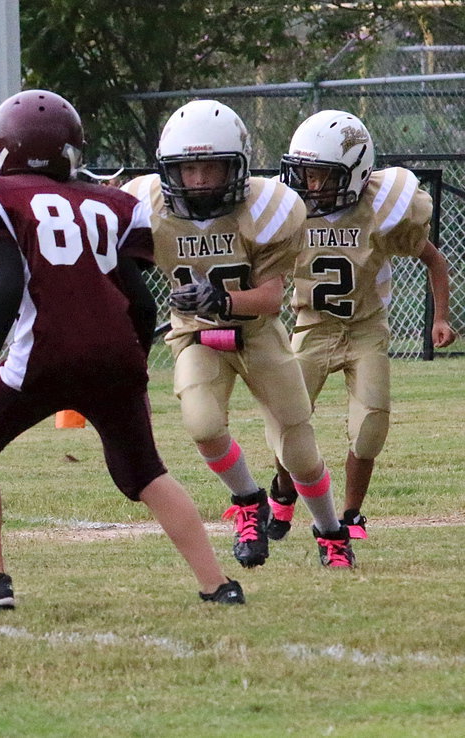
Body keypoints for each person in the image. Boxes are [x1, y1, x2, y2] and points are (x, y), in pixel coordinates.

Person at [0, 90, 243, 612]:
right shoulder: (112, 203)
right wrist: (134, 367)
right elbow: (141, 302)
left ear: (2, 148)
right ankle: (217, 585)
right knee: (144, 472)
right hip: (117, 354)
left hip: (45, 351)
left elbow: (7, 286)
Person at [122, 99, 355, 568]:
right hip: (194, 334)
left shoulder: (267, 207)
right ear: (171, 170)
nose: (201, 179)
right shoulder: (146, 204)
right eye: (189, 169)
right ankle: (249, 502)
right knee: (203, 426)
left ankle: (331, 531)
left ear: (238, 165)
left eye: (212, 166)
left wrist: (221, 300)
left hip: (258, 333)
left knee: (298, 450)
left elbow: (269, 298)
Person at [266, 110, 457, 544]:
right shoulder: (292, 211)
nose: (309, 184)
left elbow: (435, 260)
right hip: (312, 325)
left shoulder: (381, 209)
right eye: (304, 173)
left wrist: (441, 316)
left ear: (354, 174)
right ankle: (281, 491)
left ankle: (351, 515)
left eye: (320, 175)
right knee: (288, 420)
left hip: (366, 329)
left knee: (371, 425)